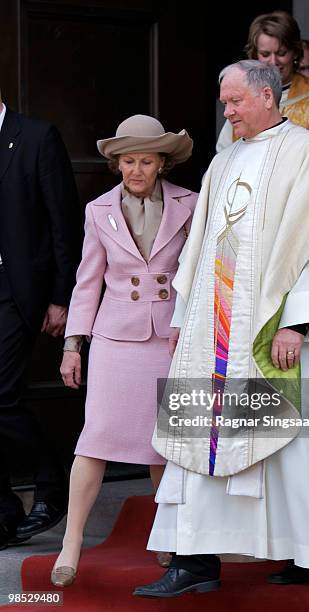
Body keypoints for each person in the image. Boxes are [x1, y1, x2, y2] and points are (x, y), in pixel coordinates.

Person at [133, 61, 309, 598]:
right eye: (224, 103)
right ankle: (193, 561)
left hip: (280, 328)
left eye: (234, 102)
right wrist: (185, 319)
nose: (227, 111)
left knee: (302, 448)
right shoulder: (225, 158)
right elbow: (203, 246)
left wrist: (299, 323)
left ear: (265, 96)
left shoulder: (308, 154)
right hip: (217, 326)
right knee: (199, 435)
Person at [50, 115, 198, 587]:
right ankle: (71, 543)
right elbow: (86, 282)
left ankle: (168, 541)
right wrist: (74, 345)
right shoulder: (98, 210)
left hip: (169, 339)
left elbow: (199, 274)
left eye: (146, 160)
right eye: (128, 160)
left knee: (165, 445)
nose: (136, 169)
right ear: (117, 163)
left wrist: (190, 324)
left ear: (162, 163)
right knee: (95, 439)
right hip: (114, 339)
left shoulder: (191, 205)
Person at [0, 91, 81, 550]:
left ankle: (53, 484)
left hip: (19, 290)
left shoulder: (35, 137)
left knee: (1, 395)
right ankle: (4, 513)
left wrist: (60, 296)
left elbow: (62, 222)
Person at [216, 11, 309, 161]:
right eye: (265, 54)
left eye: (281, 53)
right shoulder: (240, 98)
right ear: (254, 54)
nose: (273, 61)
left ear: (295, 53)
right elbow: (223, 157)